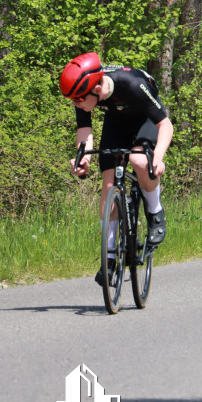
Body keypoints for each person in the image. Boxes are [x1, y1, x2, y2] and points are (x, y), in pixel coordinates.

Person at [61, 52, 173, 286]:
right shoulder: (85, 89)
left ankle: (155, 211)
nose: (76, 104)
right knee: (109, 183)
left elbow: (165, 124)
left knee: (140, 161)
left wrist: (158, 158)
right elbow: (84, 130)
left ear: (97, 90)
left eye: (78, 100)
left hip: (147, 119)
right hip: (117, 119)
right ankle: (109, 257)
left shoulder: (133, 85)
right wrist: (83, 159)